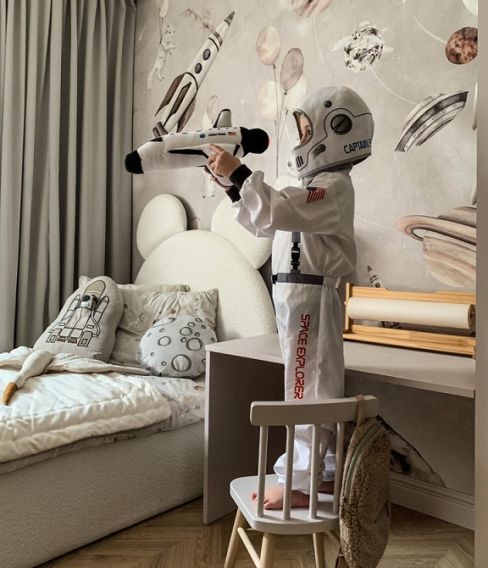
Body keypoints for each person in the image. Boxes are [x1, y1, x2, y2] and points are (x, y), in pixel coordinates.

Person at [207, 86, 374, 509]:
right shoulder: (312, 189)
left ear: (335, 130)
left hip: (309, 297)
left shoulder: (333, 186)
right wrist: (232, 186)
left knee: (306, 389)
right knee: (311, 384)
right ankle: (325, 472)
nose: (301, 139)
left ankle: (299, 481)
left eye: (305, 130)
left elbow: (279, 209)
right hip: (295, 295)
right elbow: (266, 222)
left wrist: (240, 173)